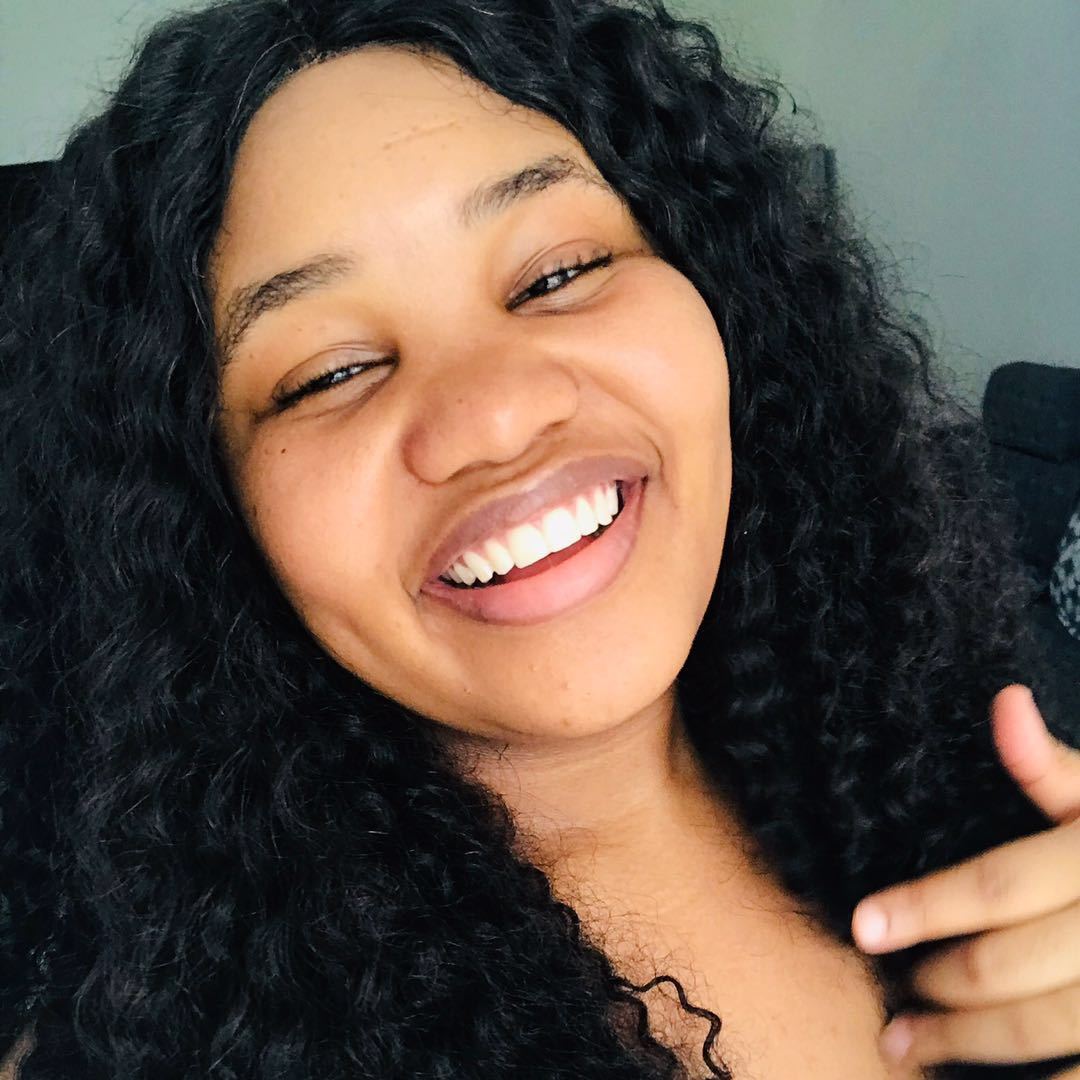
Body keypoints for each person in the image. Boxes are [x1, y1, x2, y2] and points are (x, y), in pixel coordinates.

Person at [2, 1, 1078, 1077]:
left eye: (556, 275)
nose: (495, 417)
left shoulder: (990, 773)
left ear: (728, 305)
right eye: (331, 373)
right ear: (202, 513)